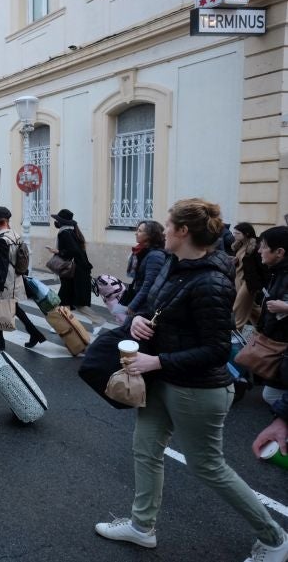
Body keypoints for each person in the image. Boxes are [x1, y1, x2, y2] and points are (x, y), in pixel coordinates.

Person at [94, 198, 288, 562]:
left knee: (207, 465)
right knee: (145, 449)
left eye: (167, 225)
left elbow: (218, 349)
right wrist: (139, 322)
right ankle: (141, 527)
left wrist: (157, 360)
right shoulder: (175, 263)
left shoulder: (212, 281)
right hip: (162, 380)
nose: (162, 230)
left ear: (183, 231)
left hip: (198, 391)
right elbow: (159, 309)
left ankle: (275, 537)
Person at [0, 206, 46, 350]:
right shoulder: (13, 234)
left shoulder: (1, 239)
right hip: (13, 278)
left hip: (4, 279)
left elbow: (3, 264)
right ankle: (31, 333)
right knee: (11, 308)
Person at [246, 226, 288, 408]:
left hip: (282, 347)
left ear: (279, 252)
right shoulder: (277, 271)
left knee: (271, 395)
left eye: (263, 246)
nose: (259, 250)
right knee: (270, 393)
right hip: (277, 345)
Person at [48, 209, 100, 326]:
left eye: (57, 220)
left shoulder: (64, 233)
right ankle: (65, 323)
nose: (56, 222)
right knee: (66, 299)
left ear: (61, 222)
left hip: (72, 272)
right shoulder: (73, 232)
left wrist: (58, 251)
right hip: (75, 271)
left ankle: (98, 321)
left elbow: (73, 251)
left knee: (67, 300)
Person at [120, 220, 167, 317]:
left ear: (150, 235)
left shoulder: (155, 256)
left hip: (145, 305)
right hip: (140, 300)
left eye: (140, 231)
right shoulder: (141, 251)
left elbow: (149, 285)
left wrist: (133, 305)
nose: (136, 233)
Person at [232, 222, 266, 331]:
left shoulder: (255, 247)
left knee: (238, 307)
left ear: (246, 233)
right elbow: (243, 263)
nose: (234, 235)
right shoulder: (240, 245)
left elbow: (260, 265)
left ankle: (235, 332)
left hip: (248, 282)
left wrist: (260, 283)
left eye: (237, 233)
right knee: (252, 309)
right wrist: (235, 261)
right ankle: (264, 328)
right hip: (238, 279)